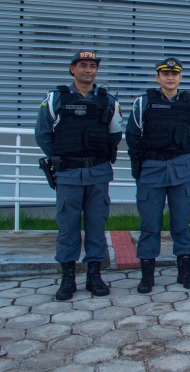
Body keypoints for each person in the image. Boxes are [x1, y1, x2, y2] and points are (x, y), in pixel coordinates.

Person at [35, 50, 123, 300]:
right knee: (67, 226)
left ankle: (94, 275)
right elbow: (43, 133)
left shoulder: (108, 101)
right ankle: (67, 278)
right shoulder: (55, 99)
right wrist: (63, 156)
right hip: (69, 172)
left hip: (97, 171)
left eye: (92, 65)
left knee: (97, 225)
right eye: (82, 65)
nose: (88, 69)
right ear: (72, 69)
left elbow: (115, 134)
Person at [126, 57, 190, 294]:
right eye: (165, 73)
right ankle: (147, 276)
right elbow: (132, 136)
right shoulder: (143, 103)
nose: (170, 77)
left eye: (174, 73)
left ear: (180, 77)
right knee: (150, 223)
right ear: (157, 77)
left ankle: (185, 272)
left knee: (181, 223)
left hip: (181, 169)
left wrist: (183, 155)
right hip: (152, 169)